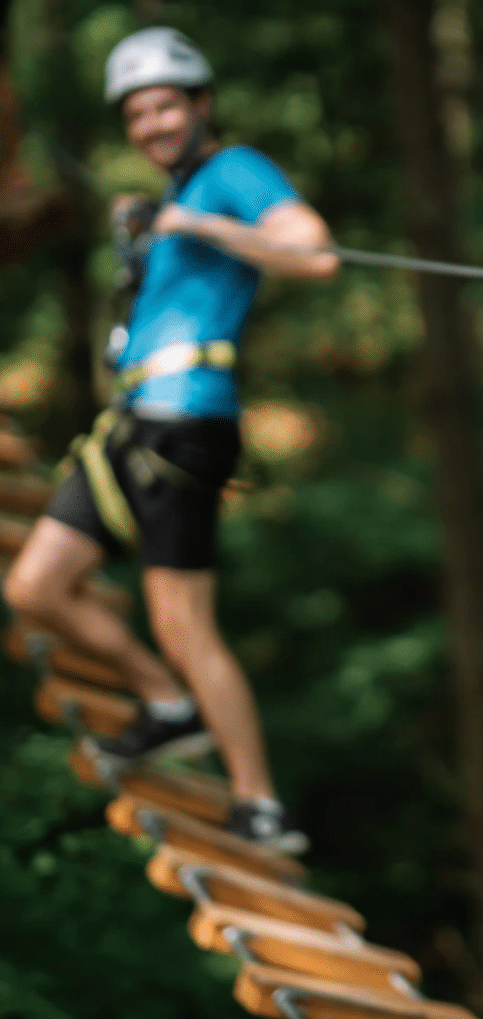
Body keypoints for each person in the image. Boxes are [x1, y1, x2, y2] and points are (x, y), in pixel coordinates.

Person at [3, 27, 340, 853]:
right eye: (137, 113)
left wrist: (197, 222)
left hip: (186, 426)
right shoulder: (181, 192)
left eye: (165, 107)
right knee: (35, 588)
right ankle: (165, 702)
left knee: (184, 622)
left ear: (201, 105)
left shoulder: (234, 172)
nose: (150, 124)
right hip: (130, 424)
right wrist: (162, 220)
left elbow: (314, 253)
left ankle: (260, 802)